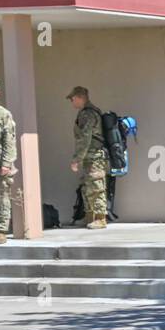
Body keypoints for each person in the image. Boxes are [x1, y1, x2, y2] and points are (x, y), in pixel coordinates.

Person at [67, 86, 109, 229]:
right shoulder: (88, 112)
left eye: (73, 99)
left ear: (80, 97)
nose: (72, 102)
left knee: (96, 186)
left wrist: (76, 159)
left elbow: (84, 138)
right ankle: (90, 216)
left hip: (94, 156)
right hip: (90, 156)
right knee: (88, 186)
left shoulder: (88, 114)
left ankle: (100, 218)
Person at [0, 80, 16, 244]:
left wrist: (6, 163)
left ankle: (1, 230)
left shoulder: (3, 114)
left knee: (2, 196)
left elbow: (9, 141)